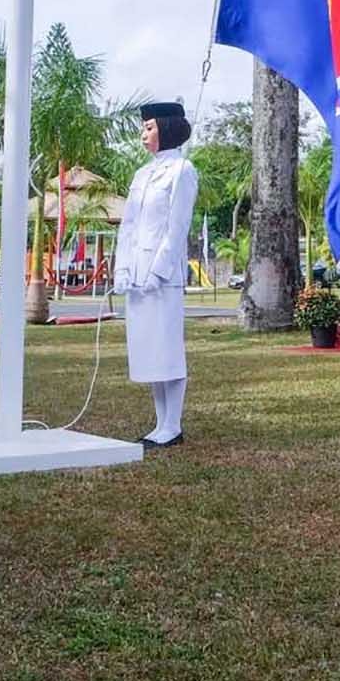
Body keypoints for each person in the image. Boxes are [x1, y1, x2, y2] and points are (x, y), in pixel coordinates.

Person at [114, 100, 199, 449]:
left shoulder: (183, 170)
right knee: (148, 351)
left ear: (166, 128)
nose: (143, 134)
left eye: (149, 127)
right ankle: (159, 422)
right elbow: (129, 226)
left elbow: (177, 229)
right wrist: (122, 269)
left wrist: (157, 272)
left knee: (167, 351)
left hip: (162, 277)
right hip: (136, 273)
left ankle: (173, 425)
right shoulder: (142, 174)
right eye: (143, 128)